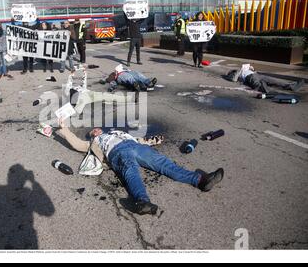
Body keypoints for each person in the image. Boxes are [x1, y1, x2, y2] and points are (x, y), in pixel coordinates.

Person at [57, 120, 224, 215]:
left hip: (136, 146)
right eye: (93, 131)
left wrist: (154, 140)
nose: (96, 130)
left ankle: (201, 180)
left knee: (164, 164)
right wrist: (63, 128)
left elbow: (139, 140)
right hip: (117, 153)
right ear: (92, 135)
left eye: (97, 128)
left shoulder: (116, 132)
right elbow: (77, 143)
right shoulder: (94, 142)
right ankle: (143, 202)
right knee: (131, 172)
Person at [65, 69, 135, 114]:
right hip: (80, 98)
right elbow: (69, 84)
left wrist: (84, 73)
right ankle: (66, 116)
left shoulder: (81, 87)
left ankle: (128, 99)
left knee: (106, 96)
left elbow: (84, 82)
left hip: (89, 94)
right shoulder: (70, 89)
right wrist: (71, 75)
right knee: (78, 108)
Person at [227, 65, 305, 93]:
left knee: (274, 80)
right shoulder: (237, 72)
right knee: (256, 84)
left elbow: (253, 70)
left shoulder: (245, 69)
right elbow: (233, 79)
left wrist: (252, 68)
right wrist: (239, 70)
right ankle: (262, 88)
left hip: (256, 74)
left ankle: (291, 86)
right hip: (250, 77)